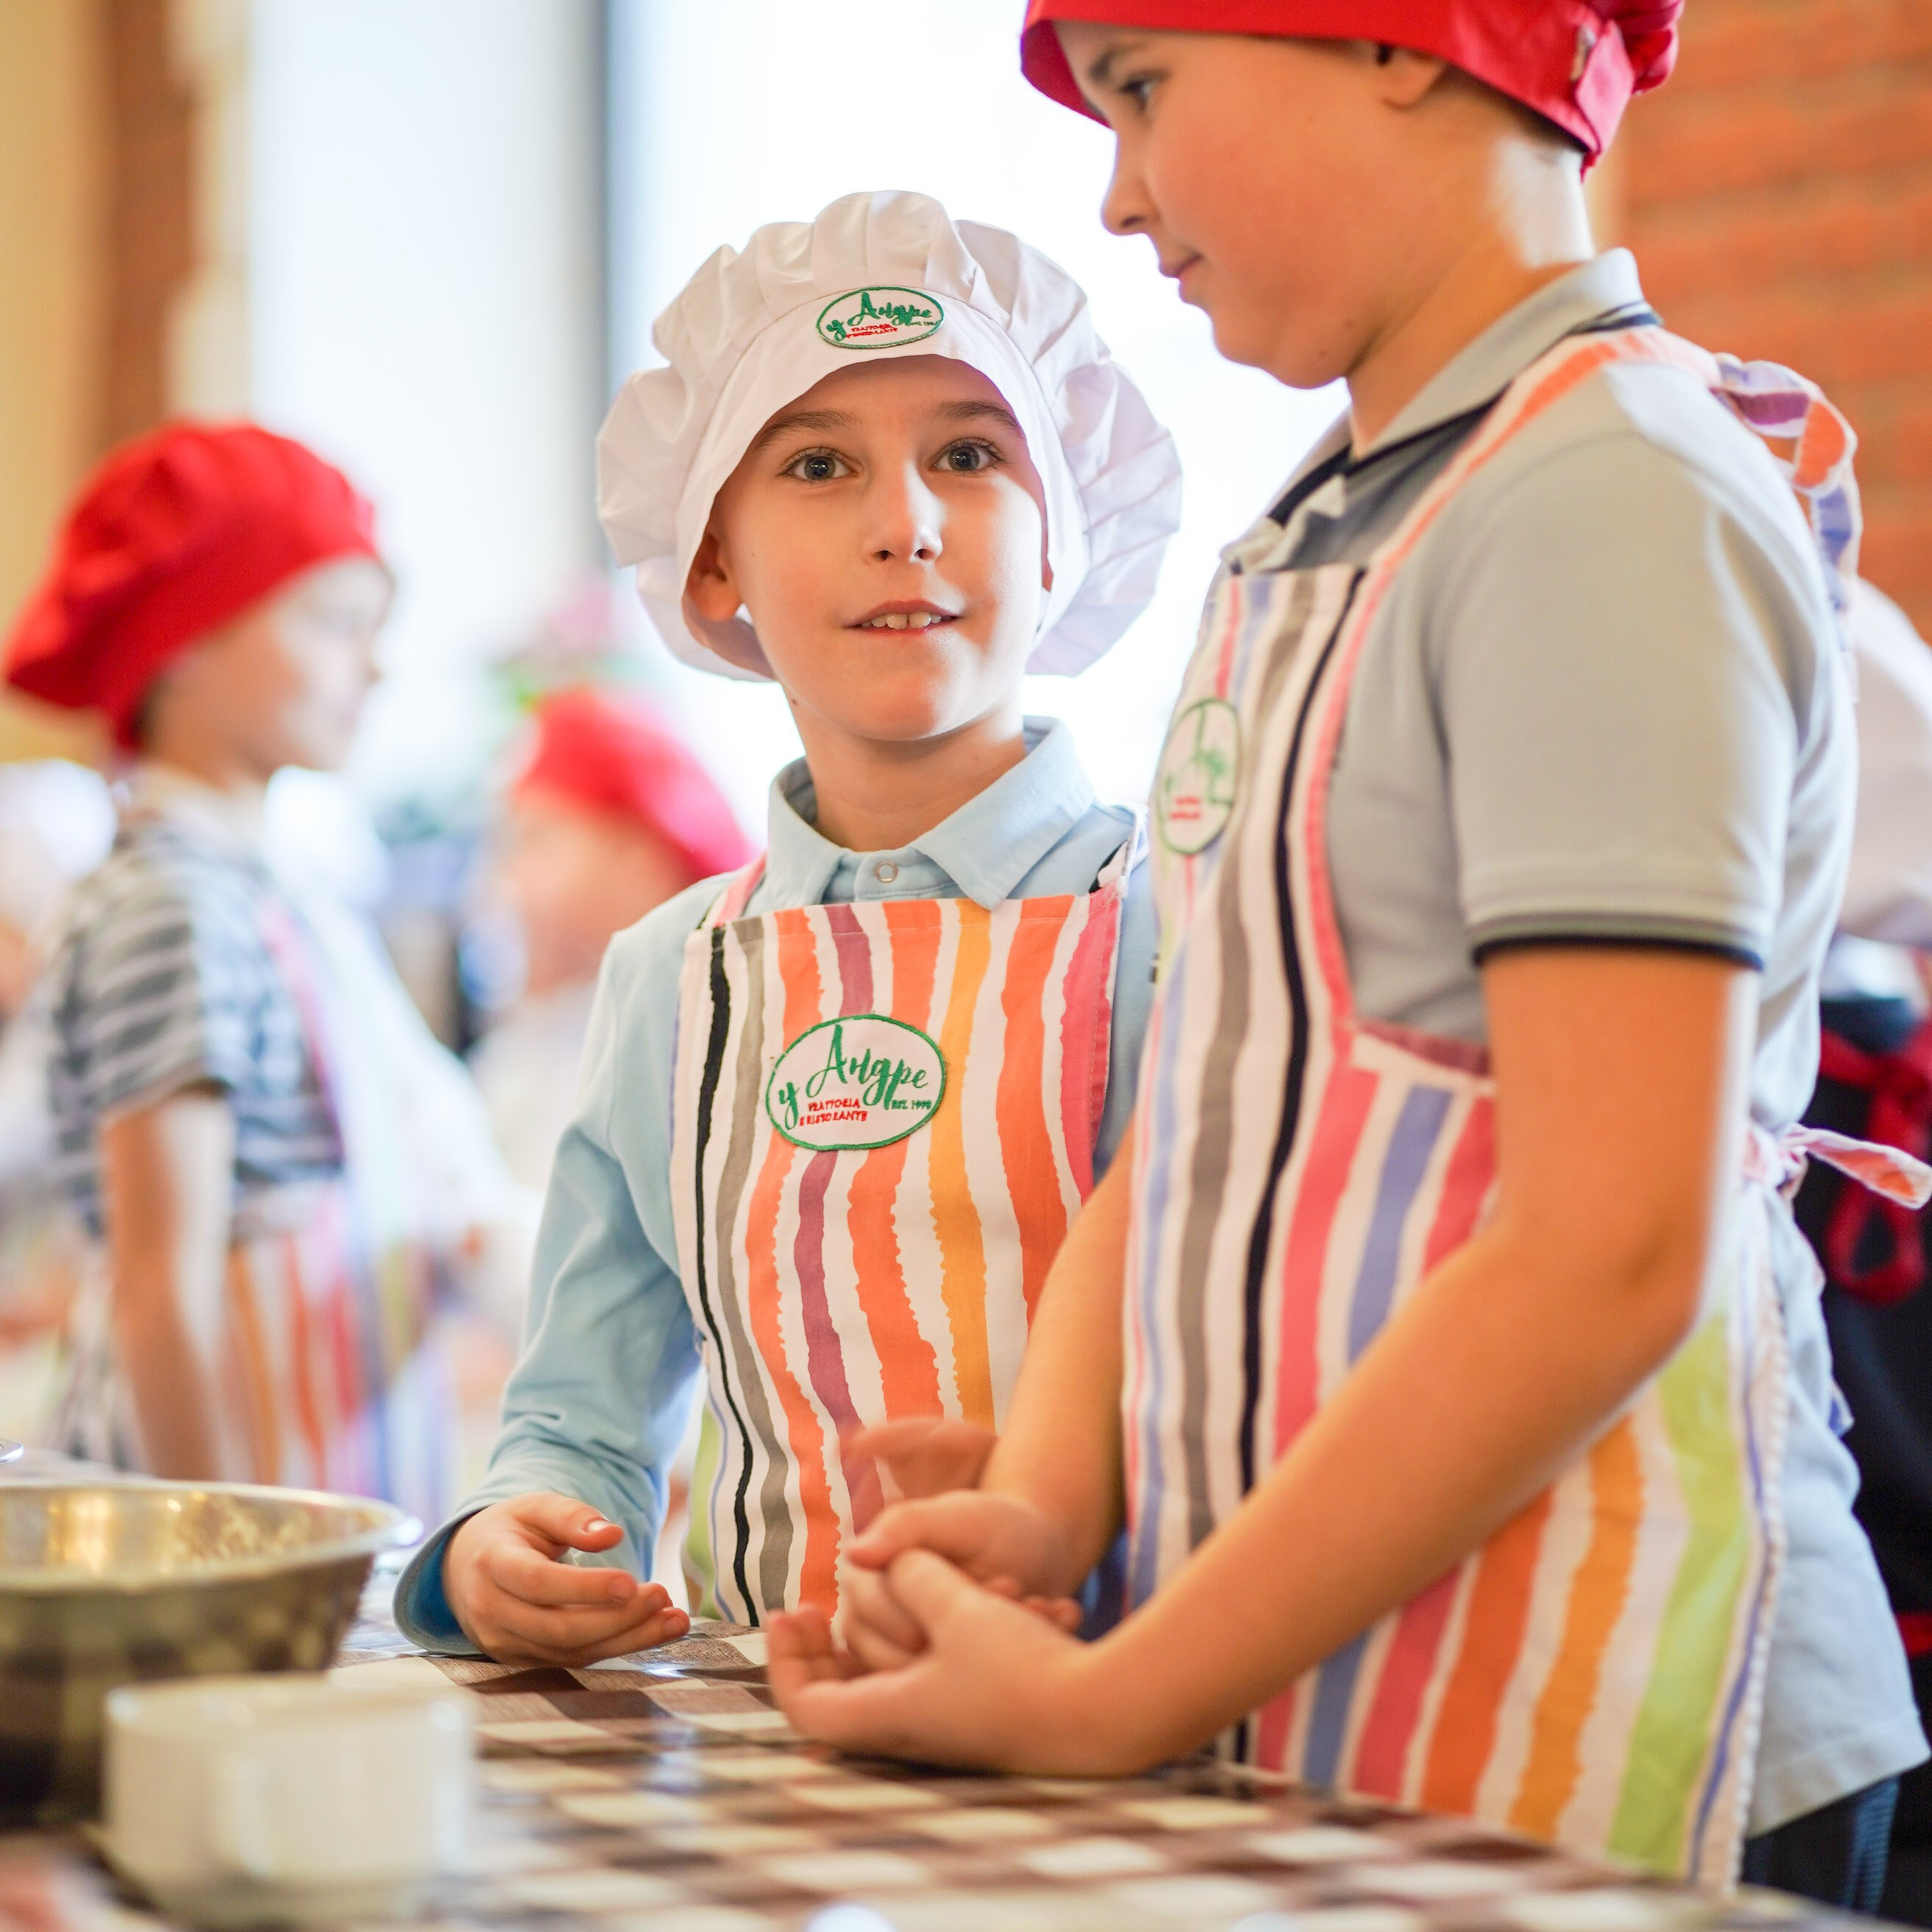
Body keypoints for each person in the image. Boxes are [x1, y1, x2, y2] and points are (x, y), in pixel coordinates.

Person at [763, 5, 1932, 1902]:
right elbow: (1220, 1111)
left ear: (1404, 42)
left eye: (1141, 92)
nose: (1118, 196)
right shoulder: (1326, 524)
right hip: (1353, 1683)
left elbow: (1604, 1243)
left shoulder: (1601, 496)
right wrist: (1051, 1498)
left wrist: (1107, 1698)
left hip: (1629, 1684)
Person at [391, 189, 1182, 1666]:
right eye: (818, 464)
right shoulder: (664, 976)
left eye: (968, 453)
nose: (906, 522)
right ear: (712, 569)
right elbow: (578, 1411)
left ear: (1070, 529)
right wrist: (510, 1538)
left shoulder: (1181, 933)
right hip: (766, 1739)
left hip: (1126, 1721)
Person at [5, 421, 516, 1519]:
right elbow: (161, 1283)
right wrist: (224, 1557)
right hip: (208, 1523)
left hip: (321, 1498)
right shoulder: (171, 904)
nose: (373, 667)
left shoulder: (269, 888)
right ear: (180, 643)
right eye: (334, 624)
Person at [471, 687, 752, 1197]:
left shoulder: (719, 1034)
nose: (507, 881)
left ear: (638, 854)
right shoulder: (567, 1015)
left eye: (538, 840)